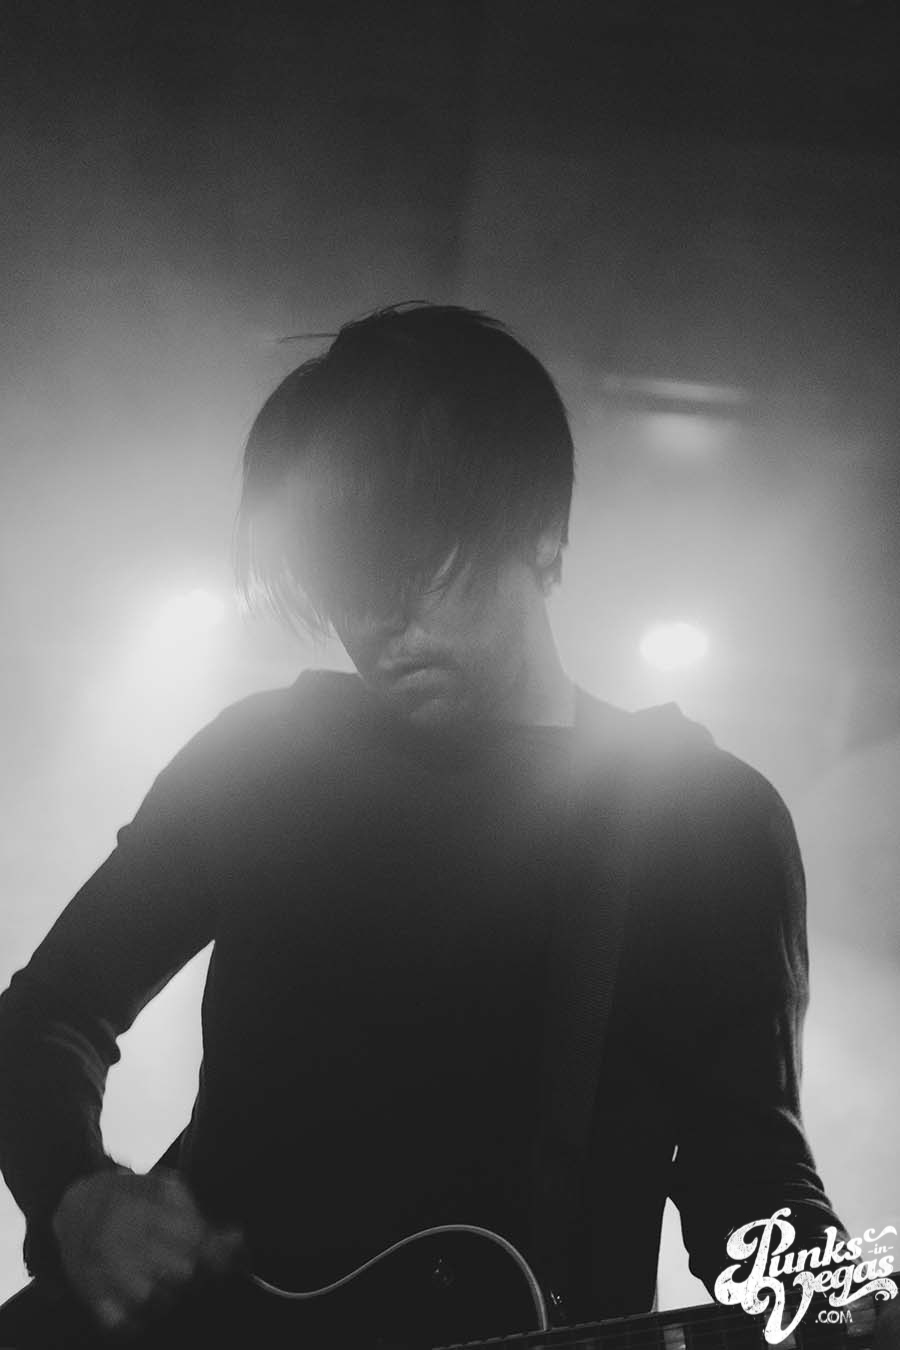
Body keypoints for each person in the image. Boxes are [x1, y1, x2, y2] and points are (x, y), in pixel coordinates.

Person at [0, 304, 869, 1343]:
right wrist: (78, 1191)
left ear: (542, 536)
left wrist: (838, 1307)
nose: (378, 619)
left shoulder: (706, 822)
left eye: (417, 564)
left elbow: (752, 1178)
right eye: (345, 578)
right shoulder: (262, 761)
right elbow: (49, 1011)